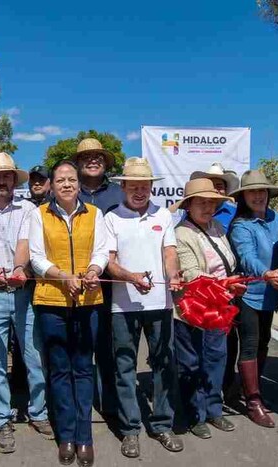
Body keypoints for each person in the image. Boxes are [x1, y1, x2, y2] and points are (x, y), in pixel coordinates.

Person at [0, 152, 52, 453]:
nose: (2, 180)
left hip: (23, 293)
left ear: (14, 180)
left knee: (34, 356)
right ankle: (2, 419)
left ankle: (38, 412)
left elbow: (25, 245)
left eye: (7, 175)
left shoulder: (29, 209)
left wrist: (18, 269)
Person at [29, 159, 108, 467]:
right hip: (51, 301)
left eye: (71, 179)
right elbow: (36, 257)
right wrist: (62, 276)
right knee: (60, 371)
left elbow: (101, 249)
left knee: (84, 369)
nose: (66, 184)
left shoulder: (95, 214)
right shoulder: (39, 215)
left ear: (79, 183)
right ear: (51, 184)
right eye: (60, 179)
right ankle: (67, 437)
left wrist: (93, 269)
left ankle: (85, 437)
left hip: (88, 301)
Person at [104, 158, 184, 458]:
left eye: (145, 186)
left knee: (164, 363)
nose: (139, 191)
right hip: (122, 306)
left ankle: (163, 424)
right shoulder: (112, 218)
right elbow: (108, 262)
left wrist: (173, 274)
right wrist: (130, 277)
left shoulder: (163, 215)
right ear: (123, 186)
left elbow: (170, 252)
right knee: (124, 367)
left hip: (160, 303)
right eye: (133, 186)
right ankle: (130, 430)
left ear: (152, 187)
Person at [173, 178, 246, 439]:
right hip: (193, 310)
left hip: (219, 307)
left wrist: (230, 284)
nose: (207, 207)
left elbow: (228, 262)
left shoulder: (216, 227)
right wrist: (228, 283)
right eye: (201, 203)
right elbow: (193, 275)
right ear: (189, 205)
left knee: (216, 360)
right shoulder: (182, 233)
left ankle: (214, 409)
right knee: (192, 363)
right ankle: (195, 414)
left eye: (211, 202)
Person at [228, 170, 278, 428]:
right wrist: (265, 273)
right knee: (250, 344)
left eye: (261, 191)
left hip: (272, 293)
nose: (258, 196)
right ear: (244, 196)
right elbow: (246, 256)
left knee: (264, 342)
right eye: (252, 191)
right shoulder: (241, 225)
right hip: (250, 294)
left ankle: (247, 389)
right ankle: (253, 402)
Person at [70, 138, 123, 418]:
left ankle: (108, 402)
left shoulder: (118, 194)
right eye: (86, 157)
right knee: (76, 344)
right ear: (78, 163)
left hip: (108, 282)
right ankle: (78, 401)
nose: (93, 160)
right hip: (70, 281)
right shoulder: (66, 192)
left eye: (98, 157)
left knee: (106, 345)